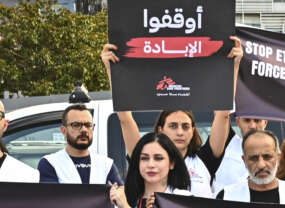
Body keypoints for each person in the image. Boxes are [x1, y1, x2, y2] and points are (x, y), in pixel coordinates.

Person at [102, 38, 244, 197]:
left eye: (185, 126)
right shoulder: (148, 157)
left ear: (193, 130)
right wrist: (111, 69)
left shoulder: (204, 159)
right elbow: (125, 119)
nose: (180, 132)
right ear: (160, 129)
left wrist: (234, 65)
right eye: (173, 126)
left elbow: (223, 115)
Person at [37, 105, 121, 185]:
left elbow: (122, 195)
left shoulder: (106, 164)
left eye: (88, 125)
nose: (84, 130)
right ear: (64, 131)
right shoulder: (51, 163)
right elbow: (51, 198)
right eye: (76, 125)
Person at [215, 129, 285, 203]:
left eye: (267, 157)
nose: (261, 165)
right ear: (244, 161)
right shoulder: (227, 197)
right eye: (253, 158)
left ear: (278, 158)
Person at [211, 115, 269, 191]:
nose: (252, 126)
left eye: (257, 120)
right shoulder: (226, 144)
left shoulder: (277, 157)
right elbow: (222, 115)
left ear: (265, 122)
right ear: (238, 122)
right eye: (247, 120)